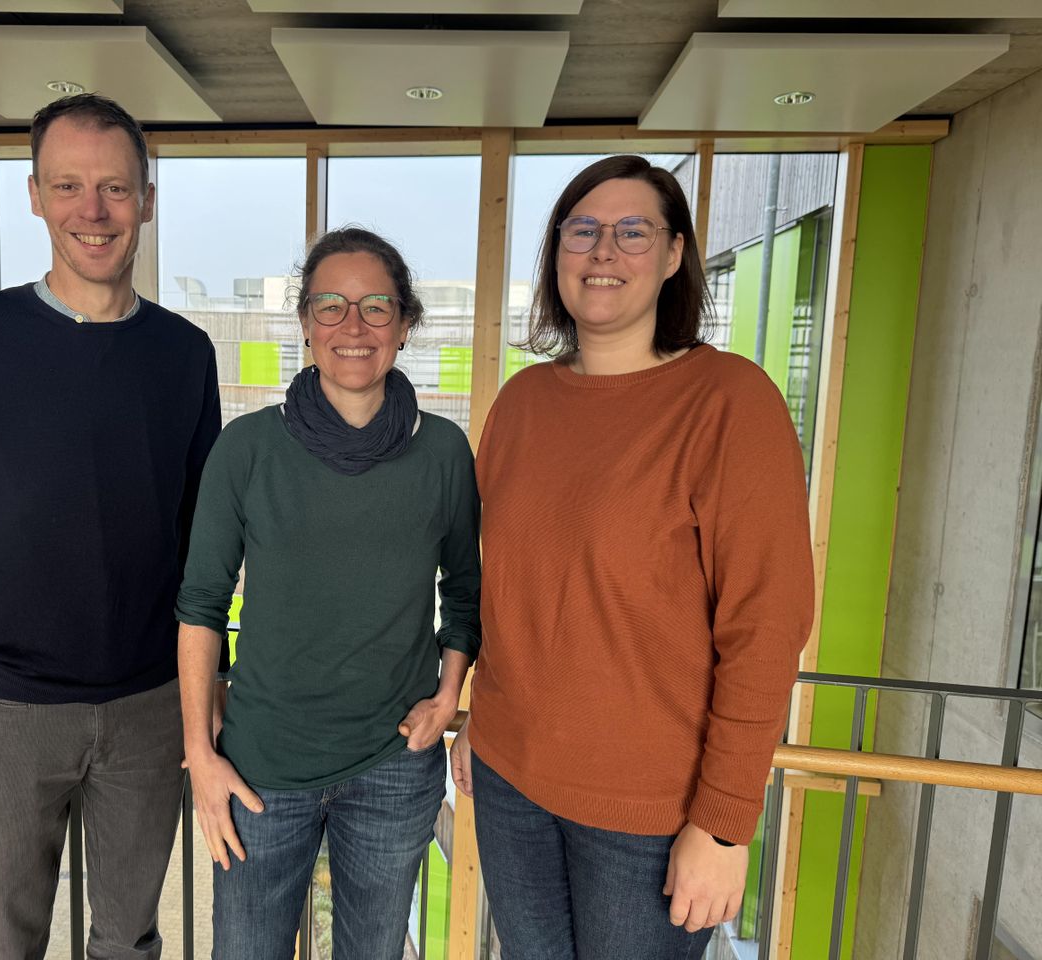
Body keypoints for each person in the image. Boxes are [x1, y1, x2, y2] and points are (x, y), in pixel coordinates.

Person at [450, 155, 814, 959]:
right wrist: (481, 716)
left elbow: (766, 626)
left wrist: (725, 824)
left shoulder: (730, 403)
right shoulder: (522, 404)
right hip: (510, 782)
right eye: (582, 230)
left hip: (649, 816)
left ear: (675, 253)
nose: (603, 251)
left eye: (632, 231)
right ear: (557, 253)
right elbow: (509, 588)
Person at [0, 93, 221, 958]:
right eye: (68, 185)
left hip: (150, 707)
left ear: (147, 199)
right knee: (3, 941)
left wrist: (206, 688)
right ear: (34, 196)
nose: (93, 211)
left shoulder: (185, 355)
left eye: (115, 188)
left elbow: (203, 551)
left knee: (129, 940)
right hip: (5, 713)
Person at [176, 227, 480, 960]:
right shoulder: (247, 448)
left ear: (404, 325)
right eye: (331, 305)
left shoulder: (443, 451)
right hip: (259, 767)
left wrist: (448, 697)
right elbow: (200, 605)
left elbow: (467, 594)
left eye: (376, 306)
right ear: (305, 322)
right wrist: (200, 756)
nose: (354, 325)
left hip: (393, 765)